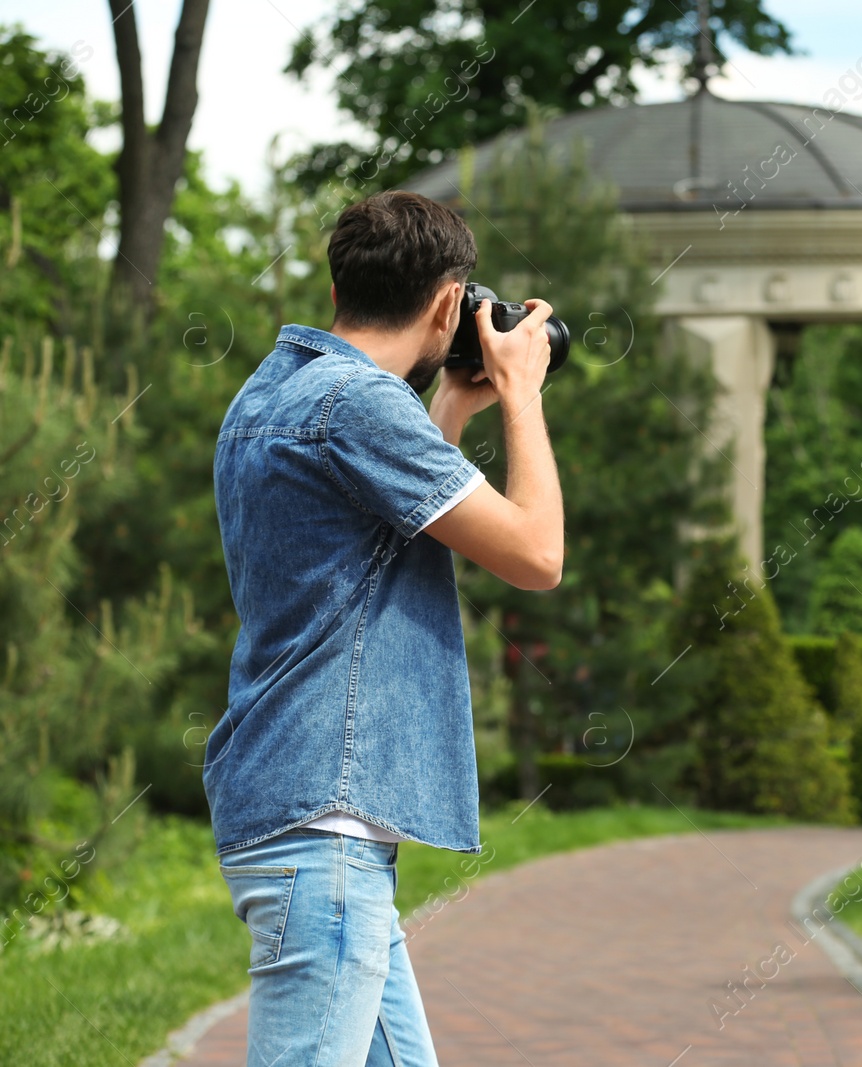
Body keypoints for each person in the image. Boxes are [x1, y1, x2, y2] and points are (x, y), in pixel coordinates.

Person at [204, 190, 564, 1065]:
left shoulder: (276, 389)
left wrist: (452, 408)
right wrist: (520, 394)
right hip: (324, 829)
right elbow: (537, 554)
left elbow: (386, 524)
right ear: (448, 302)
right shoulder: (359, 406)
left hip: (299, 813)